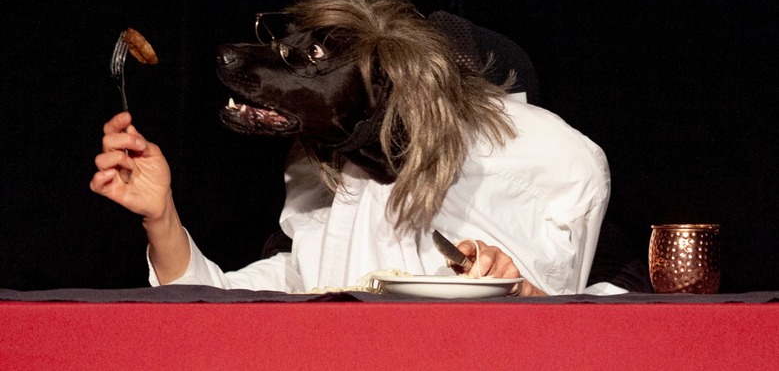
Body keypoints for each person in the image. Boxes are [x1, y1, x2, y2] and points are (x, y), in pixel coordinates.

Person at [91, 100, 622, 296]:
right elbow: (209, 305)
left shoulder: (529, 208)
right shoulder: (322, 258)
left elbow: (566, 313)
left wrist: (517, 295)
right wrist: (161, 216)